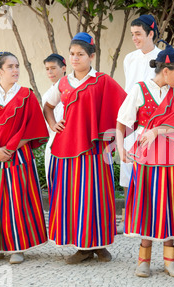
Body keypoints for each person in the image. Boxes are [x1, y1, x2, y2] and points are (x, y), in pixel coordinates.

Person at [116, 43, 174, 278]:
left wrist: (156, 131)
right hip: (147, 158)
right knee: (147, 206)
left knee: (171, 206)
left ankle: (170, 260)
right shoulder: (139, 90)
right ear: (166, 71)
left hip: (173, 157)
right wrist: (121, 149)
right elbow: (122, 121)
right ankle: (143, 260)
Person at [43, 32, 127, 264]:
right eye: (71, 54)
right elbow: (48, 106)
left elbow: (127, 107)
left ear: (91, 56)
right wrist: (53, 124)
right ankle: (82, 247)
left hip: (95, 151)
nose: (75, 58)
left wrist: (113, 139)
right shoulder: (63, 82)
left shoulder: (103, 81)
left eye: (80, 54)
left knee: (97, 197)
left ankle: (99, 245)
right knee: (73, 198)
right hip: (67, 149)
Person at [0, 51, 49, 264]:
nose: (15, 70)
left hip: (18, 157)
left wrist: (12, 148)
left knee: (17, 201)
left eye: (17, 66)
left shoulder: (26, 94)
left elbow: (34, 128)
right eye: (10, 67)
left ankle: (18, 247)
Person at [118, 14, 162, 234]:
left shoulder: (162, 57)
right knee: (128, 169)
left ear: (151, 33)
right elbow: (128, 90)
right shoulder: (129, 58)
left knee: (153, 170)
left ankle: (155, 217)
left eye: (138, 34)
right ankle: (128, 218)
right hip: (132, 120)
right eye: (132, 34)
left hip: (154, 123)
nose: (134, 38)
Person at [42, 53, 66, 183]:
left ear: (63, 68)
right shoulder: (47, 95)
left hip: (69, 144)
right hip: (52, 143)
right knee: (53, 181)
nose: (50, 72)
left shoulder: (72, 90)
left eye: (53, 68)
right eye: (47, 69)